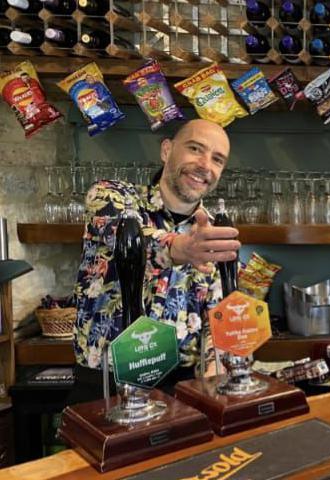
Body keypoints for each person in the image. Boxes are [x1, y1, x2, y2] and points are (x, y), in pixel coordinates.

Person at [70, 119, 241, 404]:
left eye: (217, 159)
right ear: (166, 150)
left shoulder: (209, 231)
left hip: (180, 387)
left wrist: (216, 375)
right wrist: (180, 247)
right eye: (195, 148)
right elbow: (132, 243)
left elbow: (217, 313)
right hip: (107, 382)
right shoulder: (111, 196)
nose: (205, 165)